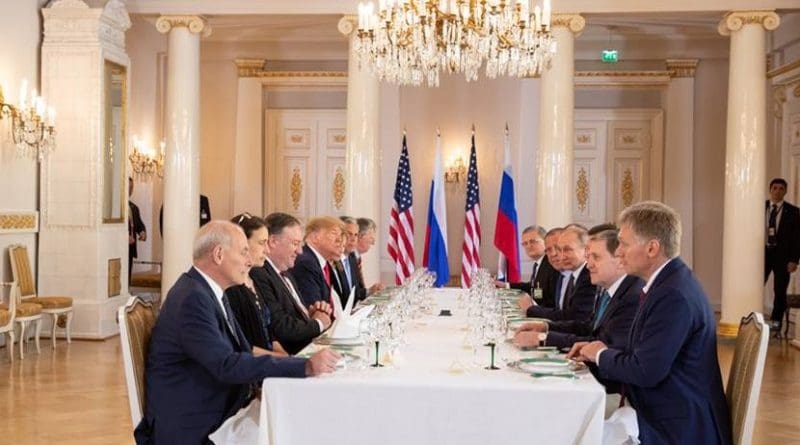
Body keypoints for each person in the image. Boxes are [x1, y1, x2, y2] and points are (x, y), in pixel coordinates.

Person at [135, 221, 339, 445]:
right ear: (219, 254)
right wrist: (305, 366)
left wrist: (288, 368)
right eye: (243, 252)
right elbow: (226, 365)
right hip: (196, 424)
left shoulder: (208, 292)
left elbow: (243, 351)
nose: (249, 261)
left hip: (216, 406)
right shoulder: (193, 299)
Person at [571, 201, 732, 444]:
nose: (619, 252)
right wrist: (594, 352)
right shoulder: (668, 283)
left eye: (624, 244)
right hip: (665, 412)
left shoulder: (673, 295)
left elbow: (645, 371)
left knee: (574, 432)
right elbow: (644, 354)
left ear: (652, 248)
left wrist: (601, 354)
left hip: (678, 427)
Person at [513, 228, 641, 355]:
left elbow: (603, 344)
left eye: (595, 257)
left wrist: (543, 339)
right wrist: (545, 327)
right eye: (589, 256)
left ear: (620, 260)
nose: (589, 264)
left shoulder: (632, 296)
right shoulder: (608, 289)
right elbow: (587, 327)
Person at [252, 212, 333, 355]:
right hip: (291, 357)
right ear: (272, 242)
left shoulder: (287, 273)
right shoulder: (259, 274)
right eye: (295, 243)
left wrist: (311, 313)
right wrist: (318, 323)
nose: (300, 251)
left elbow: (292, 315)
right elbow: (279, 327)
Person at [225, 213, 287, 356]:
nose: (267, 250)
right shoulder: (231, 289)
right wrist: (284, 360)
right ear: (242, 243)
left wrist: (286, 356)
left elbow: (270, 336)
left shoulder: (254, 281)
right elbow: (242, 347)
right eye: (261, 243)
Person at [527, 226, 597, 322]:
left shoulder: (589, 277)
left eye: (568, 249)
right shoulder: (567, 274)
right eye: (561, 250)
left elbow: (575, 318)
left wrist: (532, 310)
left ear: (586, 250)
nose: (561, 256)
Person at [764, 178, 800, 330]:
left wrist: (794, 260)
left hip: (782, 257)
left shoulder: (793, 211)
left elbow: (797, 238)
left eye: (781, 189)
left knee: (779, 291)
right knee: (753, 284)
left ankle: (776, 324)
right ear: (770, 190)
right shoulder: (760, 207)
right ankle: (751, 319)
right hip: (763, 255)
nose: (777, 191)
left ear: (785, 191)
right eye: (775, 188)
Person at [288, 216, 345, 307]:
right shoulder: (306, 263)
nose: (340, 240)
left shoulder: (323, 263)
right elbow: (314, 306)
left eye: (340, 235)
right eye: (334, 233)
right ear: (315, 237)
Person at [504, 225, 558, 309]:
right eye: (525, 243)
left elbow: (552, 302)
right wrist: (506, 285)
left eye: (533, 241)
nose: (528, 246)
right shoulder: (538, 263)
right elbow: (534, 286)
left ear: (545, 241)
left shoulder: (552, 264)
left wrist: (531, 308)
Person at [128, 177, 147, 284]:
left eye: (131, 188)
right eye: (128, 187)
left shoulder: (134, 207)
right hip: (118, 249)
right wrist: (124, 237)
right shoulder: (115, 207)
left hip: (130, 248)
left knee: (128, 277)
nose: (130, 190)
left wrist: (142, 232)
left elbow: (139, 224)